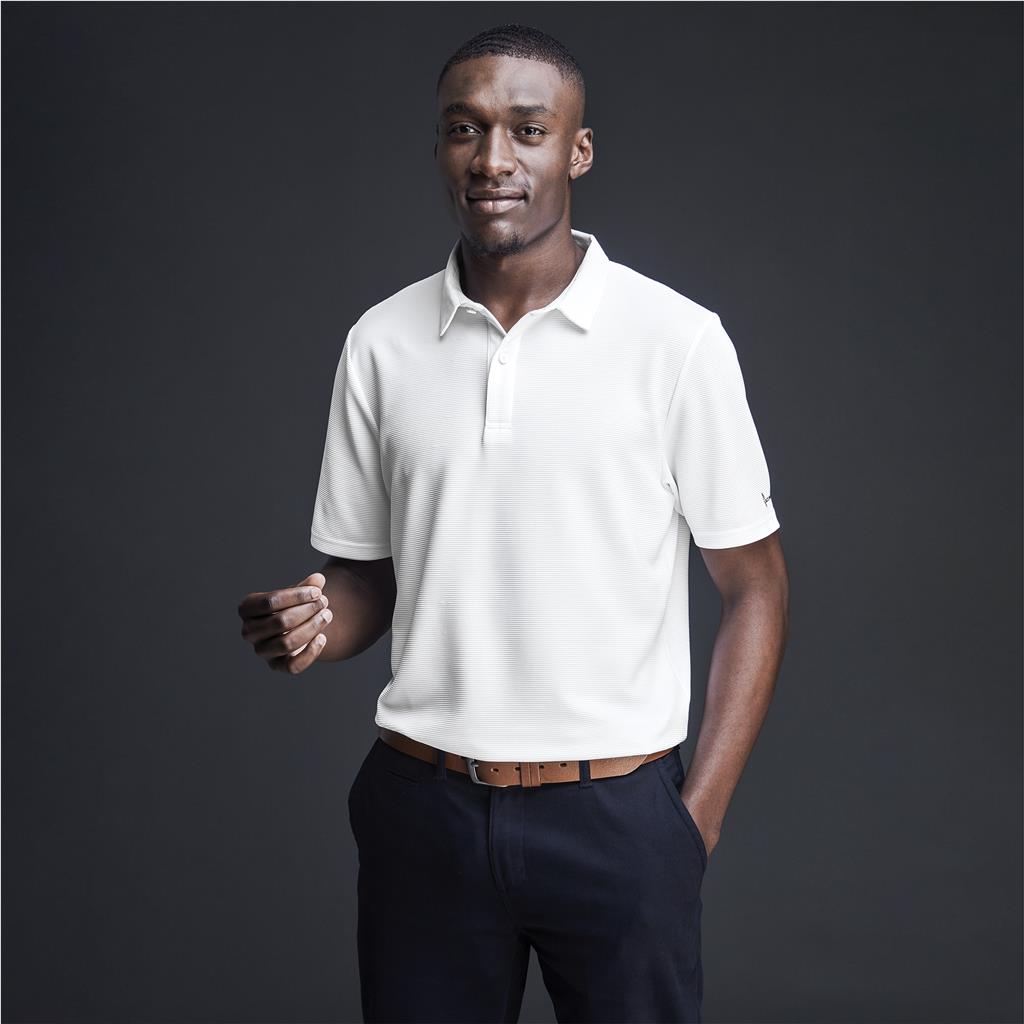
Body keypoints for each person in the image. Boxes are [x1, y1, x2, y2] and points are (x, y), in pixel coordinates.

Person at [238, 22, 789, 1024]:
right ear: (441, 146)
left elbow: (756, 587)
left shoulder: (675, 341)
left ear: (577, 150)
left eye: (528, 130)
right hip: (423, 808)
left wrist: (692, 822)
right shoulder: (380, 342)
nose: (493, 158)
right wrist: (316, 621)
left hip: (617, 814)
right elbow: (369, 577)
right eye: (466, 129)